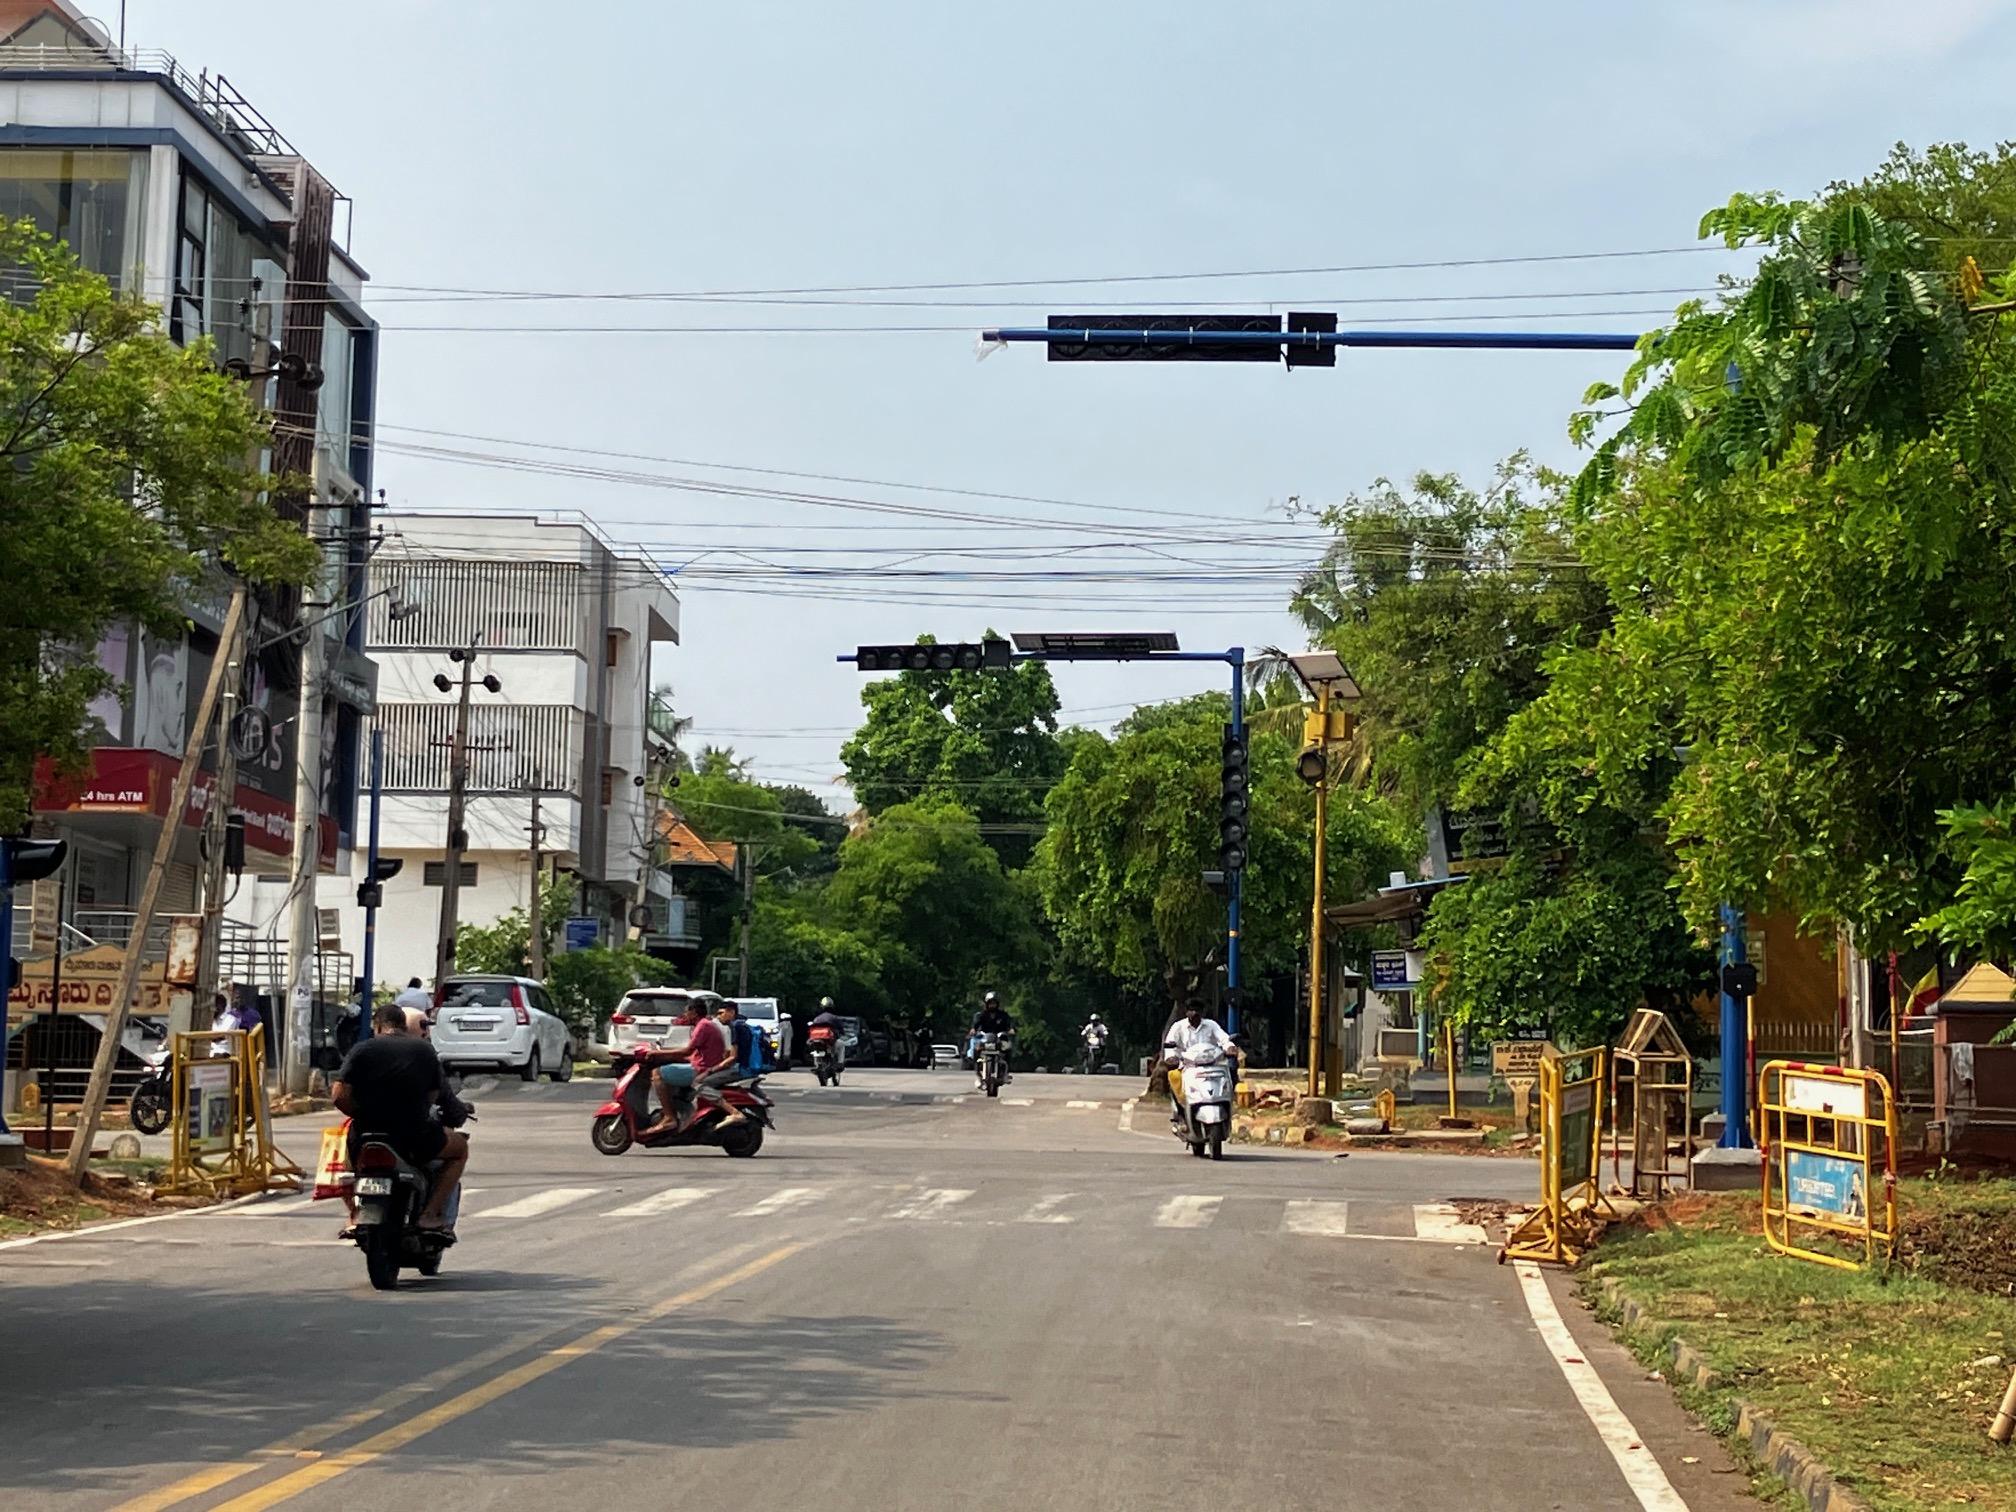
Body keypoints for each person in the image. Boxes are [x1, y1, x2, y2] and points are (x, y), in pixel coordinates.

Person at [332, 1002, 470, 1233]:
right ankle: (430, 1214)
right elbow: (434, 1095)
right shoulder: (424, 1051)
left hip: (365, 1135)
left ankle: (355, 1214)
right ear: (404, 1026)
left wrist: (362, 1114)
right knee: (460, 1150)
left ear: (377, 1027)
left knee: (344, 1170)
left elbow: (338, 1095)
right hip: (415, 1136)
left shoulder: (362, 1049)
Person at [1160, 1003, 1238, 1131]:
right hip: (1187, 1067)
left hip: (1212, 1066)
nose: (1194, 1013)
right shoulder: (1178, 1027)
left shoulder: (1211, 1025)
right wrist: (1171, 1058)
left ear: (1203, 1011)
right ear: (1186, 1012)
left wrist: (1230, 1048)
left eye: (1197, 1009)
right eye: (1191, 1009)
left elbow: (1224, 1039)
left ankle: (1227, 1106)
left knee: (1230, 1074)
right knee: (1173, 1077)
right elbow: (1170, 1046)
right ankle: (1181, 1115)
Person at [970, 991, 1013, 1088]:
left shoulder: (1003, 1015)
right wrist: (973, 1029)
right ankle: (978, 1075)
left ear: (997, 1004)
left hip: (999, 1039)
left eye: (994, 1003)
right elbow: (976, 1024)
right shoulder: (981, 1015)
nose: (992, 1005)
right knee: (975, 1050)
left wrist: (1011, 1029)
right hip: (985, 1039)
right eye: (990, 1003)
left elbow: (1010, 1023)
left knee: (1008, 1048)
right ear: (986, 1003)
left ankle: (1005, 1073)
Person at [808, 997, 846, 1068]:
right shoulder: (834, 1018)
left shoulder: (817, 1019)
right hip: (829, 1041)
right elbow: (841, 1029)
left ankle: (818, 1064)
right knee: (842, 1045)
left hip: (816, 1040)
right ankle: (840, 1063)